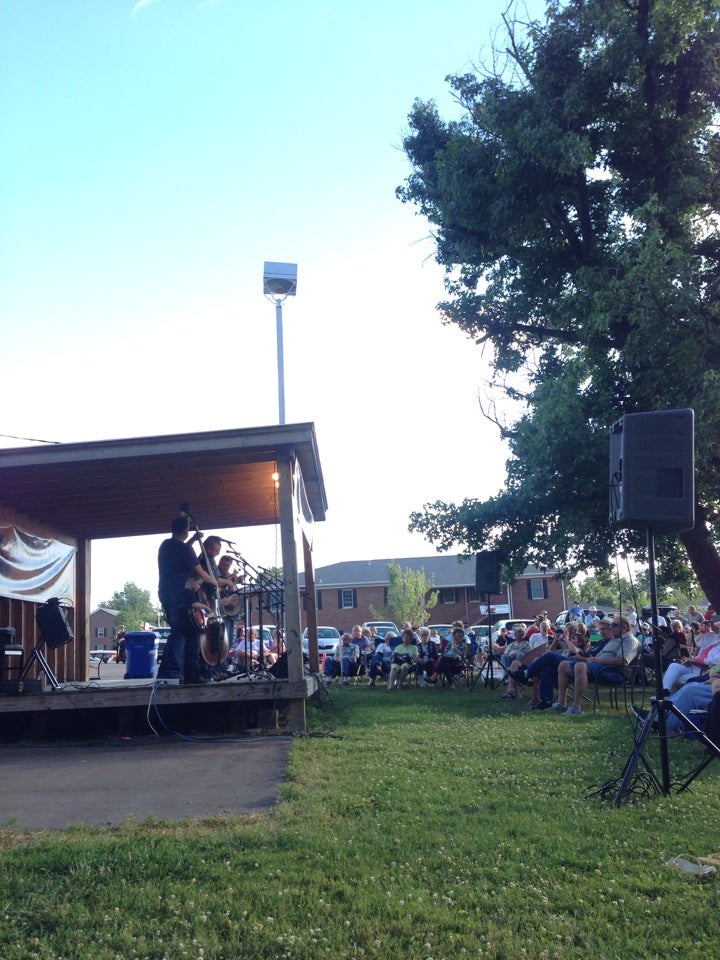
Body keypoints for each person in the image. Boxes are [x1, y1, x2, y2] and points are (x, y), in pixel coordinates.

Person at [156, 516, 215, 684]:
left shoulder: (165, 545)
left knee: (177, 631)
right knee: (180, 633)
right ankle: (171, 673)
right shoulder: (185, 549)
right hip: (179, 594)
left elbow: (181, 550)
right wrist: (213, 581)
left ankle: (175, 672)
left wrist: (194, 540)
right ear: (185, 530)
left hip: (165, 593)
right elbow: (199, 571)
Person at [553, 616, 640, 715]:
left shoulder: (630, 640)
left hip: (614, 672)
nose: (611, 628)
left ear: (624, 627)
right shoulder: (614, 639)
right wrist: (592, 659)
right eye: (611, 625)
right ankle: (561, 703)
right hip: (599, 667)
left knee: (580, 666)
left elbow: (622, 661)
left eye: (614, 625)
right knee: (564, 665)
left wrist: (597, 660)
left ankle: (576, 707)